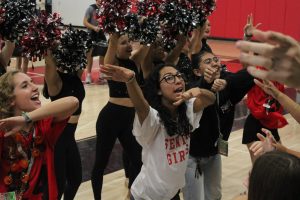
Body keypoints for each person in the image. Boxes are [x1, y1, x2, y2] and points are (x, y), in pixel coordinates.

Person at [100, 63, 215, 200]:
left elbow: (211, 99)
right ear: (158, 90)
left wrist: (199, 91)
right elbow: (141, 107)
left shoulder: (187, 109)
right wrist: (131, 81)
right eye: (169, 78)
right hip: (146, 197)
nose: (178, 80)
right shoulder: (153, 119)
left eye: (179, 76)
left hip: (172, 194)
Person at [183, 50, 254, 200]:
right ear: (197, 71)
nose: (214, 63)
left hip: (214, 153)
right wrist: (206, 83)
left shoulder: (227, 83)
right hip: (191, 156)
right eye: (207, 62)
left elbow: (249, 74)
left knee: (215, 195)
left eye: (215, 59)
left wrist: (227, 82)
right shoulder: (192, 87)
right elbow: (196, 92)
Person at [0, 71, 78, 199]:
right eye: (25, 85)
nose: (35, 87)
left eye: (32, 82)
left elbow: (73, 102)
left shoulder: (42, 125)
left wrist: (26, 118)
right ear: (10, 99)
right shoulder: (4, 128)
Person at [91, 33, 149, 200]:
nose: (129, 45)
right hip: (110, 118)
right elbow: (109, 57)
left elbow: (146, 44)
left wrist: (147, 26)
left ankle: (131, 194)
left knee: (138, 160)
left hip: (130, 118)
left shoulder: (134, 62)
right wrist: (115, 36)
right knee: (101, 163)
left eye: (130, 41)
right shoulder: (112, 63)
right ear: (115, 46)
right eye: (123, 43)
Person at [43, 50, 85, 199]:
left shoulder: (74, 77)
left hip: (70, 136)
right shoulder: (55, 81)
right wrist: (49, 50)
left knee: (75, 179)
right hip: (57, 139)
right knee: (57, 187)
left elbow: (83, 57)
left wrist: (81, 44)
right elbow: (49, 61)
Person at [83, 0, 107, 84]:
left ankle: (101, 75)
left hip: (101, 35)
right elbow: (85, 22)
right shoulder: (91, 8)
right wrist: (94, 27)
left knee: (102, 54)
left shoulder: (105, 9)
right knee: (90, 55)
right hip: (91, 34)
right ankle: (88, 75)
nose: (101, 1)